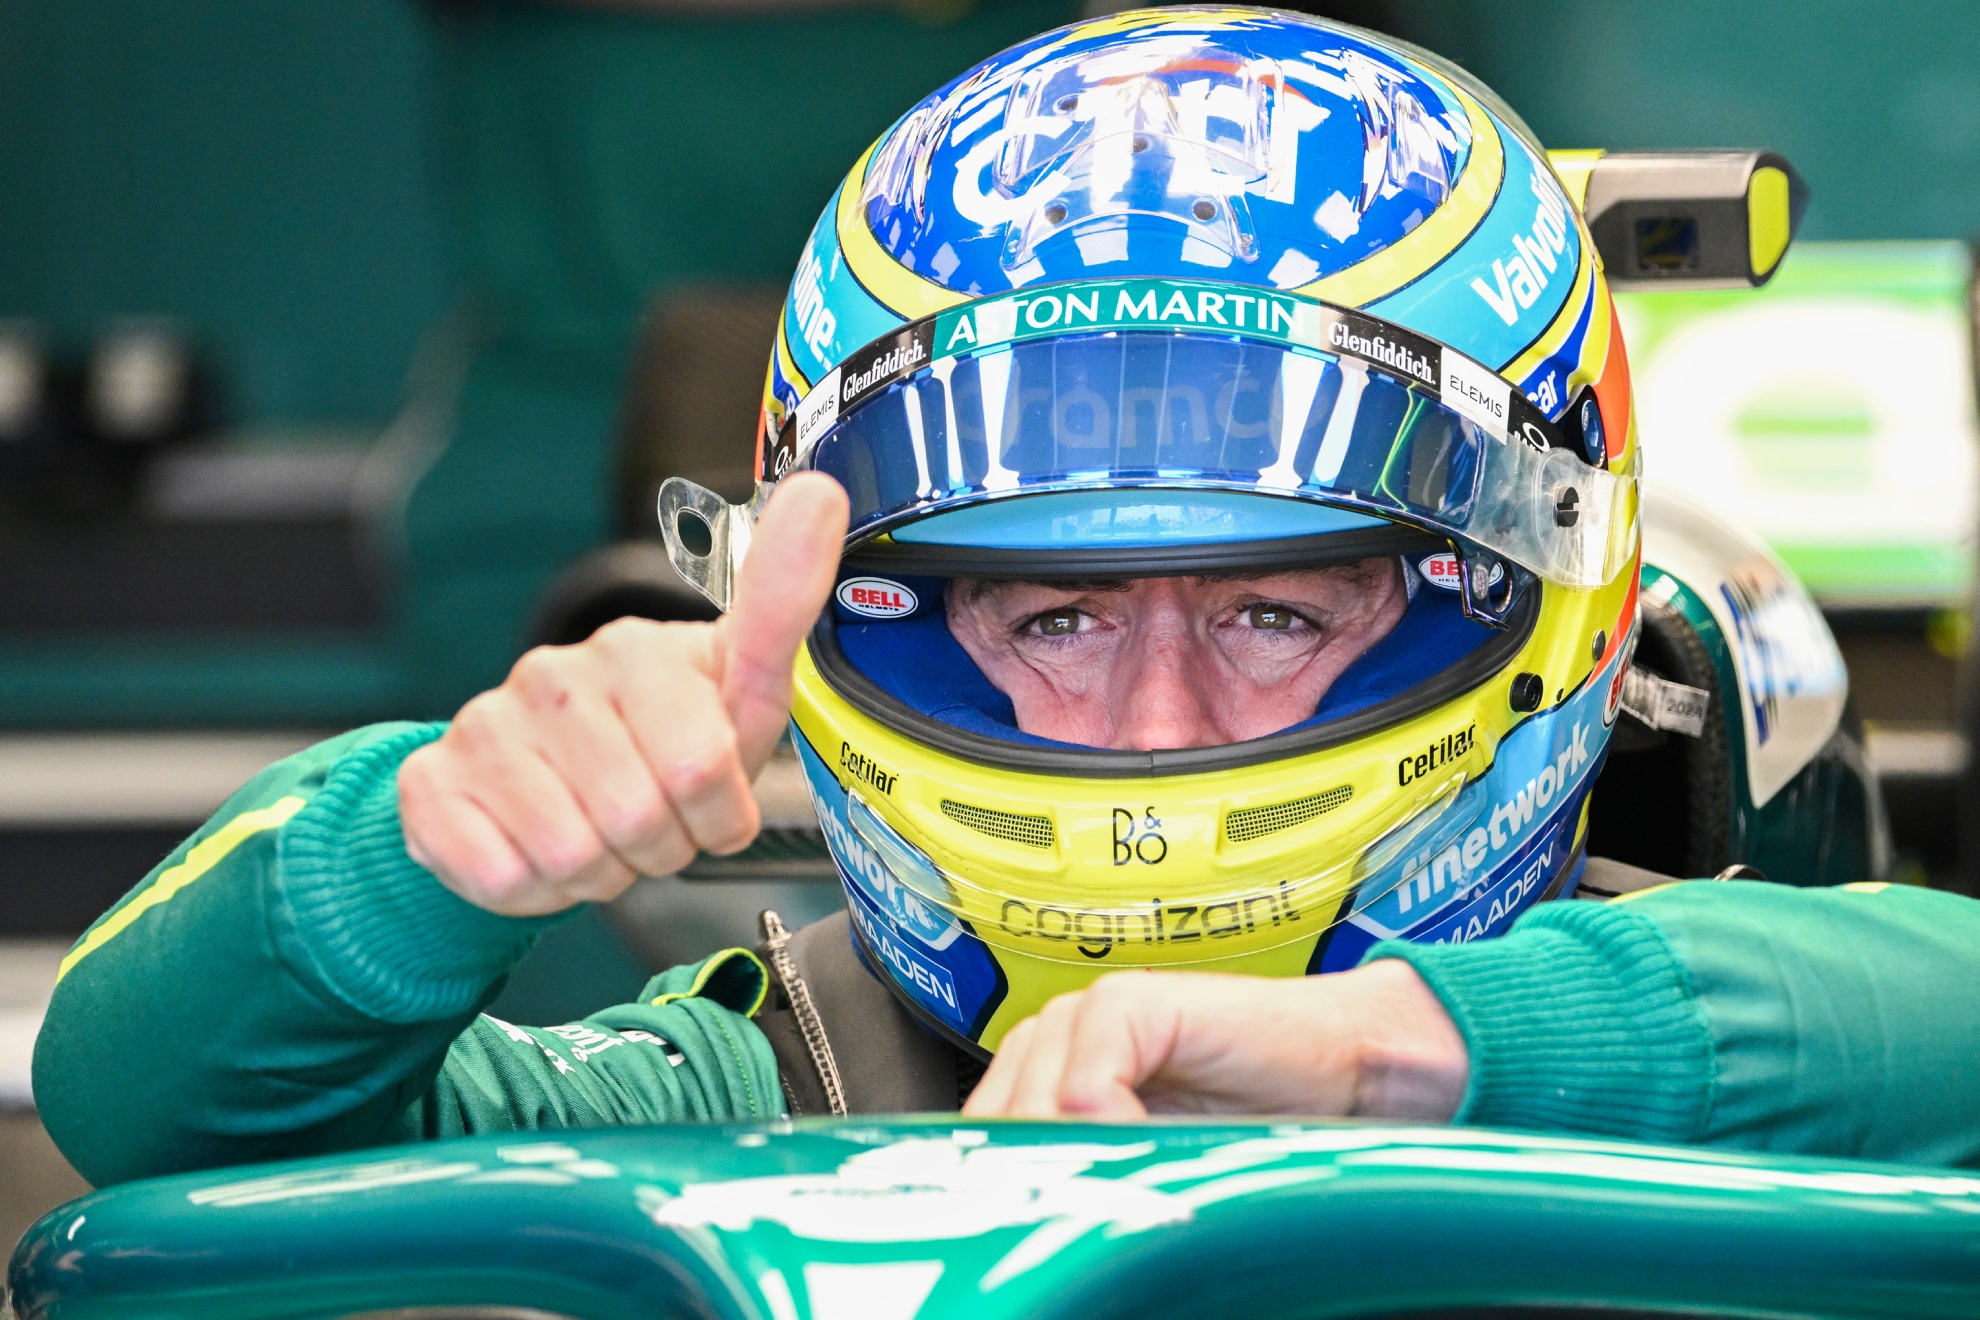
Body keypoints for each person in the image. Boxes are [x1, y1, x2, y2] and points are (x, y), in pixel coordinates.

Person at [34, 9, 1980, 1187]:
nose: (1147, 728)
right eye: (1050, 620)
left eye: (1271, 615)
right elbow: (143, 1115)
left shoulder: (1730, 1040)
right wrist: (414, 843)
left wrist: (1410, 1046)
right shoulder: (803, 1072)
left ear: (1522, 605)